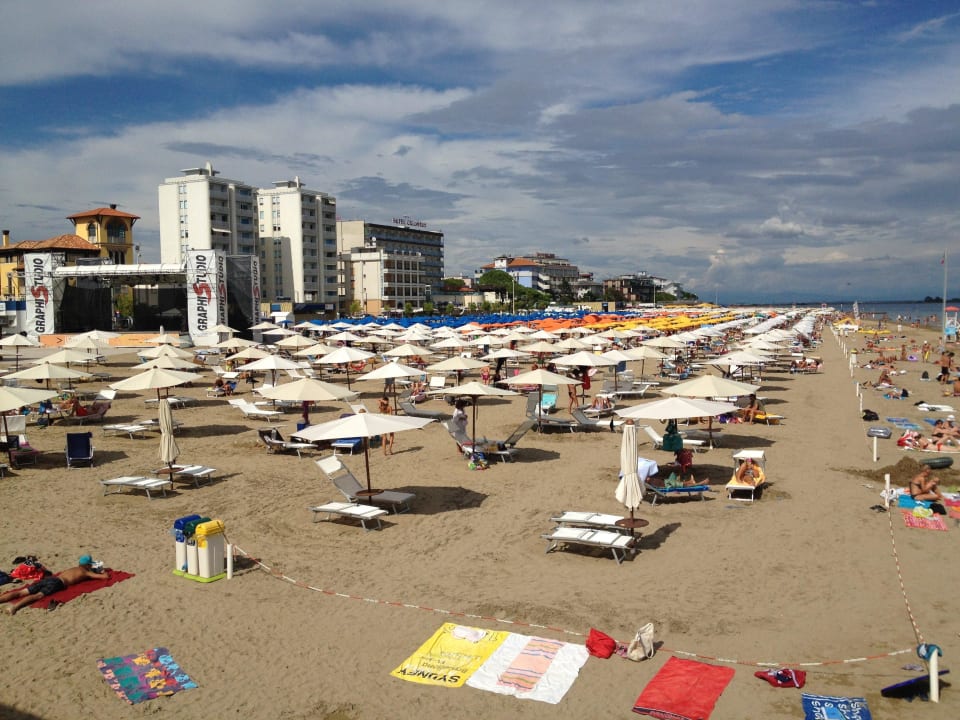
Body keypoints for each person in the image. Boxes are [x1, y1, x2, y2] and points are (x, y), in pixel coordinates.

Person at [0, 555, 108, 615]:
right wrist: (101, 570)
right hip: (58, 583)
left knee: (21, 592)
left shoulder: (73, 568)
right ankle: (14, 607)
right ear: (88, 565)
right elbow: (105, 577)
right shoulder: (86, 572)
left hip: (51, 578)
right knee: (38, 595)